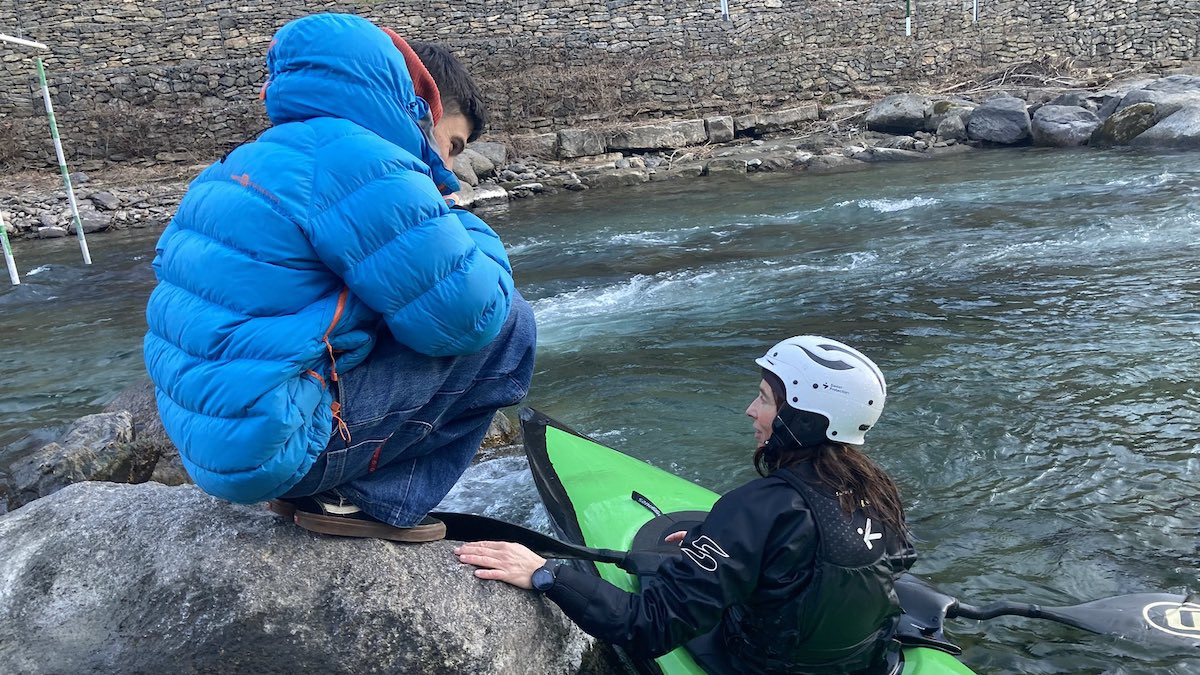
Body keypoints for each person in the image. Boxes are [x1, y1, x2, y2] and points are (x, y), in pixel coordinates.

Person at [144, 13, 535, 543]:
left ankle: (322, 487)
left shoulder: (250, 158)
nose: (448, 160)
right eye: (455, 143)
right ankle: (368, 501)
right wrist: (461, 219)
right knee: (510, 324)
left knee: (390, 309)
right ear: (421, 105)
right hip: (275, 445)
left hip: (216, 448)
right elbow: (471, 318)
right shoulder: (362, 162)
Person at [456, 336, 915, 674]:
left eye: (763, 398)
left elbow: (648, 626)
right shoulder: (876, 489)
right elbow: (893, 558)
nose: (750, 412)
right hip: (866, 660)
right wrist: (727, 550)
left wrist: (546, 573)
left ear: (801, 415)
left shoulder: (760, 508)